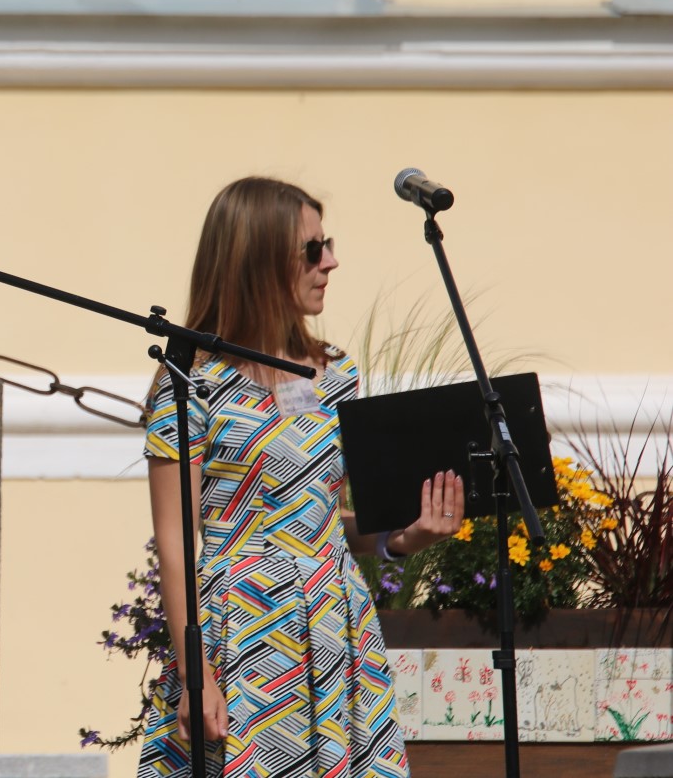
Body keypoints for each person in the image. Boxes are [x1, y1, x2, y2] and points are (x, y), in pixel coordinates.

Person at [138, 176, 464, 778]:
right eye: (312, 250)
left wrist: (403, 538)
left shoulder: (335, 374)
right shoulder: (192, 385)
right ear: (258, 263)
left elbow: (326, 519)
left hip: (337, 625)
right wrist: (196, 675)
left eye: (327, 244)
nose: (330, 262)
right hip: (244, 633)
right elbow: (176, 546)